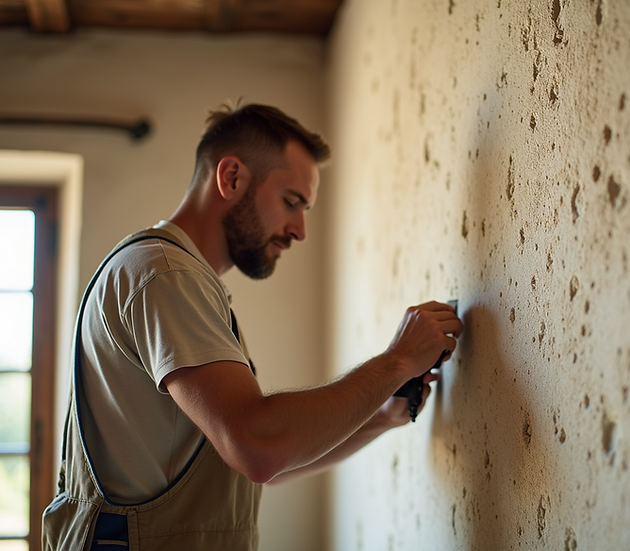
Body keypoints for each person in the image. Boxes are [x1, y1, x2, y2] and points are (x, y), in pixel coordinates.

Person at [42, 103, 462, 550]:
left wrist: (379, 417)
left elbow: (258, 464)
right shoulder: (167, 275)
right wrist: (396, 361)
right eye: (291, 202)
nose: (300, 230)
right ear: (232, 178)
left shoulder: (182, 280)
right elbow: (256, 447)